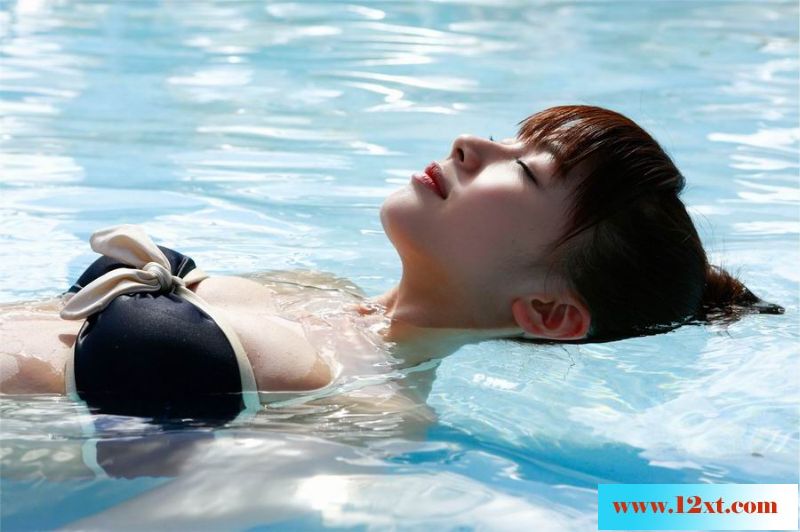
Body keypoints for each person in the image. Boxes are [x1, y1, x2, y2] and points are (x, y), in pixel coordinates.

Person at [0, 105, 783, 423]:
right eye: (509, 136)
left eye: (526, 168)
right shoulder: (315, 290)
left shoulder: (375, 413)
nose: (470, 144)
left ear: (549, 312)